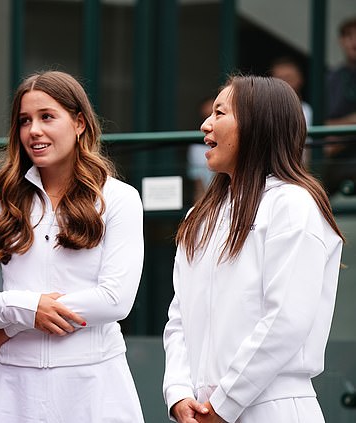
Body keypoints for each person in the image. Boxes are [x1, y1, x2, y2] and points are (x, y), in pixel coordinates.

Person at [0, 70, 145, 422]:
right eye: (25, 121)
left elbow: (115, 300)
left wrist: (14, 322)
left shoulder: (120, 199)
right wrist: (28, 309)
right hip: (14, 387)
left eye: (47, 117)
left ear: (79, 123)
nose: (34, 131)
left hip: (95, 384)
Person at [163, 75, 344, 423]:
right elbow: (179, 318)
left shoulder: (292, 204)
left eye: (220, 113)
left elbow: (285, 320)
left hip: (272, 407)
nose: (205, 124)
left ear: (258, 124)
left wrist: (224, 403)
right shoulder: (199, 217)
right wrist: (179, 393)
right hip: (203, 412)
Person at [324, 16, 356, 195]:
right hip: (336, 162)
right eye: (349, 36)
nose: (355, 41)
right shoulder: (332, 78)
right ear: (341, 41)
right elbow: (324, 125)